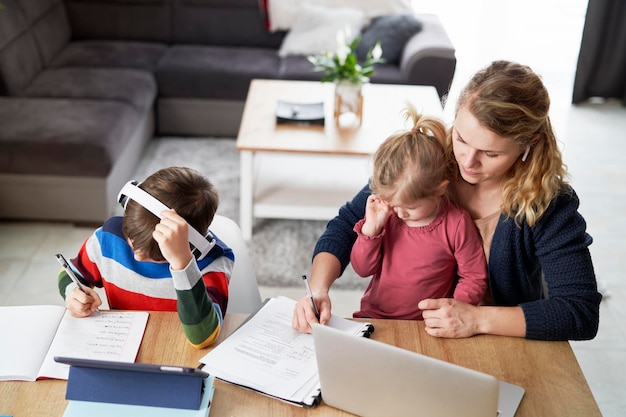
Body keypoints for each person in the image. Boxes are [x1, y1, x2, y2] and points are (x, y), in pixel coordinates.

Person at [292, 60, 602, 341]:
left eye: (491, 153)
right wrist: (318, 290)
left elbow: (580, 312)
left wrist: (478, 319)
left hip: (499, 340)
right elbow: (347, 225)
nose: (467, 161)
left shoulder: (549, 203)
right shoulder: (428, 160)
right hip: (413, 331)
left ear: (528, 143)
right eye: (462, 139)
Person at [58, 167, 234, 349]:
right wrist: (73, 294)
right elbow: (71, 273)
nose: (137, 256)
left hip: (176, 351)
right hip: (122, 347)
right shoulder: (108, 238)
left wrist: (183, 264)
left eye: (156, 256)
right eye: (131, 239)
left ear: (187, 246)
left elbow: (202, 338)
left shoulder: (214, 261)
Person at [350, 106, 487, 320]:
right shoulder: (388, 216)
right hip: (374, 315)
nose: (401, 213)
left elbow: (474, 277)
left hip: (427, 324)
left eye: (411, 208)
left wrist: (453, 311)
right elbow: (362, 269)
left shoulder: (456, 223)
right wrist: (371, 229)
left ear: (440, 190)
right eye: (394, 205)